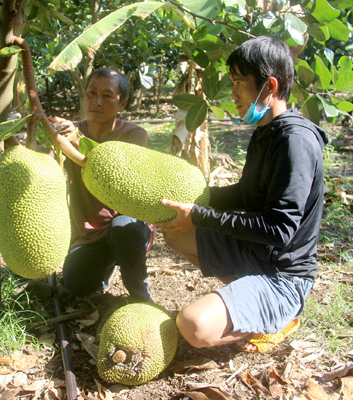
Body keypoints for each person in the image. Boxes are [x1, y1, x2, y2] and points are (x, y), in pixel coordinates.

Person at [154, 36, 328, 353]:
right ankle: (245, 299)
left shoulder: (295, 142)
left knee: (193, 325)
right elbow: (245, 194)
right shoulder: (266, 132)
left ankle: (277, 320)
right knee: (176, 233)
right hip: (256, 255)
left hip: (284, 277)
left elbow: (279, 230)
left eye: (240, 83)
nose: (233, 94)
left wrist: (199, 215)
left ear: (270, 86)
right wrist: (194, 198)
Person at [49, 68, 156, 303]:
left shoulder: (134, 134)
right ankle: (108, 263)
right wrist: (27, 137)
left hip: (128, 224)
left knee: (122, 228)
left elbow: (119, 173)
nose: (97, 101)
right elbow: (44, 163)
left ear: (122, 103)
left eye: (107, 96)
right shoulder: (69, 132)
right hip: (90, 233)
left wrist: (78, 142)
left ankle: (142, 298)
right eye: (91, 93)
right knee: (76, 285)